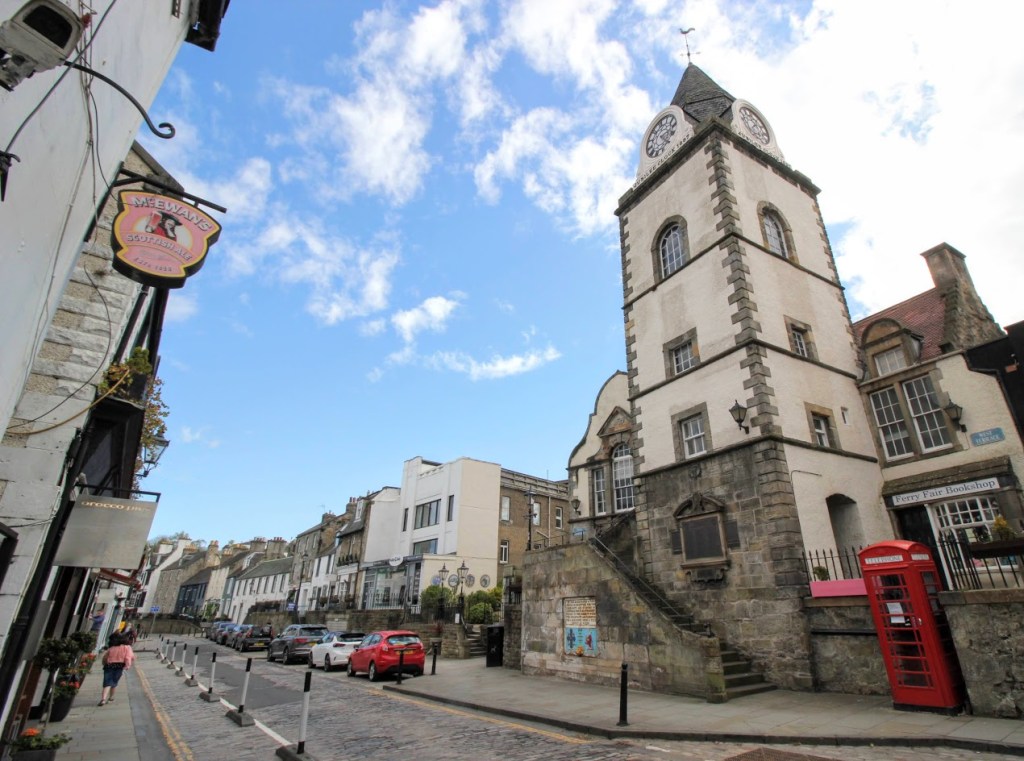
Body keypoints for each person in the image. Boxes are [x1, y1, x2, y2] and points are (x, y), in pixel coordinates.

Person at [98, 633, 135, 706]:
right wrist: (127, 666)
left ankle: (103, 699)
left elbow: (106, 657)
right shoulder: (127, 647)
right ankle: (110, 697)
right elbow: (128, 657)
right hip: (119, 666)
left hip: (109, 666)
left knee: (107, 682)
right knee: (114, 682)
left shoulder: (112, 648)